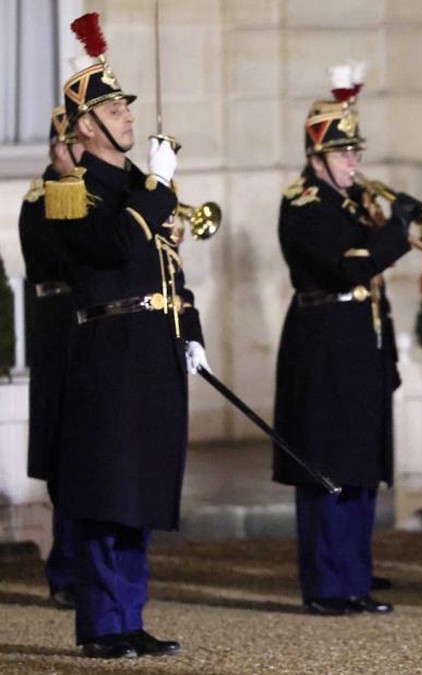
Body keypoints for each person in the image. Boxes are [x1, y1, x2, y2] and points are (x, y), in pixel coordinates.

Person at [45, 13, 205, 659]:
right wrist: (158, 187)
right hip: (109, 353)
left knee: (142, 490)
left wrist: (190, 329)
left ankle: (128, 616)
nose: (128, 115)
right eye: (114, 109)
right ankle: (102, 624)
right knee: (108, 490)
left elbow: (170, 266)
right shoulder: (71, 189)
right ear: (86, 125)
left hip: (154, 348)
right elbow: (111, 247)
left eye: (126, 105)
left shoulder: (142, 188)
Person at [273, 67, 417, 616]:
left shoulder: (353, 203)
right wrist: (396, 232)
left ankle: (354, 576)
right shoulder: (304, 205)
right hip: (324, 345)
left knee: (360, 465)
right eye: (343, 153)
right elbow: (348, 267)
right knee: (328, 467)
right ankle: (328, 584)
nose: (354, 162)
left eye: (356, 151)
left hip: (361, 342)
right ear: (317, 159)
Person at [18, 105, 83, 611]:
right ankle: (67, 571)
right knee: (67, 453)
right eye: (76, 146)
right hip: (61, 327)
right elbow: (67, 258)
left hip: (91, 327)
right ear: (58, 147)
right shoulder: (41, 199)